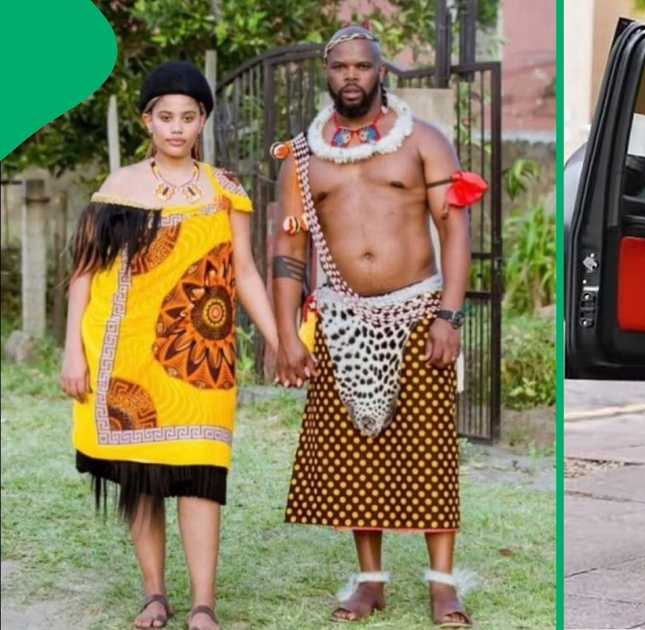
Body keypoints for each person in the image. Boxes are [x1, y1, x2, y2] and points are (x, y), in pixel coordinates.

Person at [270, 25, 484, 626]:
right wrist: (287, 334)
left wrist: (449, 313)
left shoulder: (425, 141)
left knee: (429, 449)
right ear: (326, 71)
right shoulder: (303, 155)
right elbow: (289, 250)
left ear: (380, 69)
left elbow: (455, 231)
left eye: (362, 67)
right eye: (340, 67)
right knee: (358, 453)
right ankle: (371, 581)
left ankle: (443, 585)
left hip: (418, 314)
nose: (351, 78)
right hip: (341, 321)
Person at [61, 61, 278, 630]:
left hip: (204, 357)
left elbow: (247, 274)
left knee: (202, 472)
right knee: (145, 478)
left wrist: (278, 340)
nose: (177, 128)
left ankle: (204, 604)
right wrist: (72, 351)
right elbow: (84, 274)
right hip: (125, 355)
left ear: (203, 120)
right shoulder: (116, 189)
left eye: (188, 117)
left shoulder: (225, 191)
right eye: (165, 117)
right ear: (147, 122)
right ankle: (154, 594)